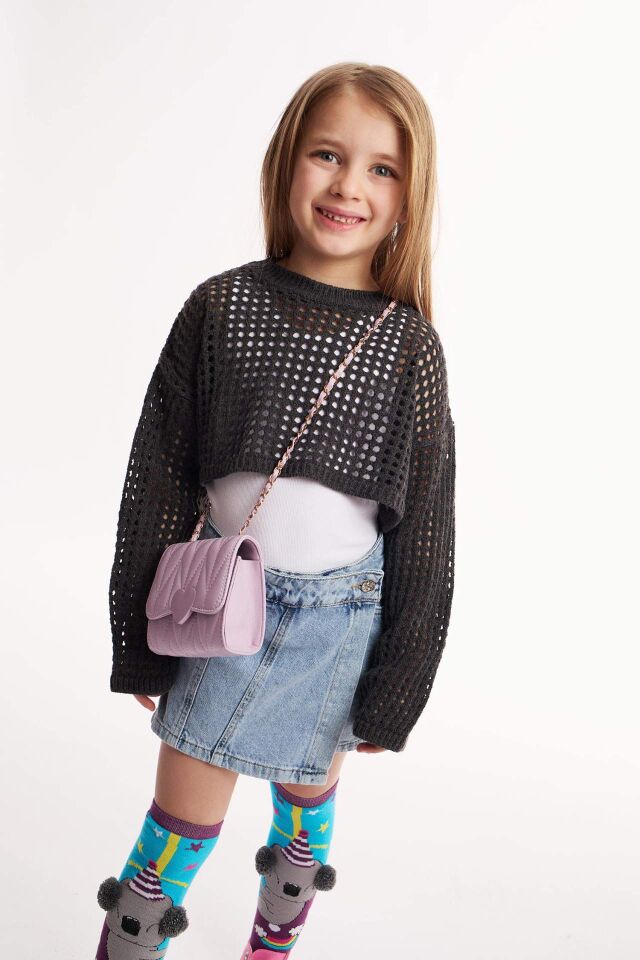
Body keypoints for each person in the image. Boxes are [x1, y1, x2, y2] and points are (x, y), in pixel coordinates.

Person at [96, 61, 456, 959]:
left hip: (340, 628)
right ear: (286, 160)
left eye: (381, 168)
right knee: (170, 842)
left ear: (408, 196)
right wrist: (137, 635)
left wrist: (399, 685)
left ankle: (272, 945)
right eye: (327, 154)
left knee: (303, 814)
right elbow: (159, 478)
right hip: (219, 618)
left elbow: (427, 533)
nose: (348, 185)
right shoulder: (221, 307)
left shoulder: (409, 346)